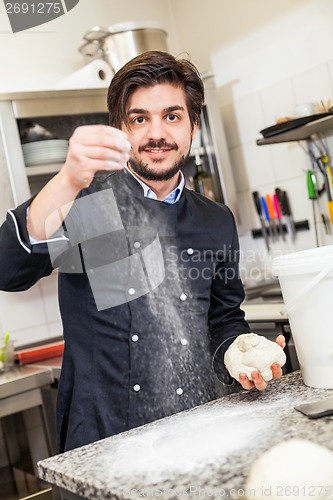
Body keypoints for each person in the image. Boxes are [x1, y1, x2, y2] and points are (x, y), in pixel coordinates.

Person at [0, 51, 284, 453]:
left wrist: (238, 352)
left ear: (193, 127)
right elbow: (7, 270)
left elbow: (224, 321)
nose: (156, 133)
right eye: (139, 118)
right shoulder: (87, 202)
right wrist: (67, 179)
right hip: (105, 440)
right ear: (121, 128)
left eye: (172, 116)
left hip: (199, 429)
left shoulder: (215, 220)